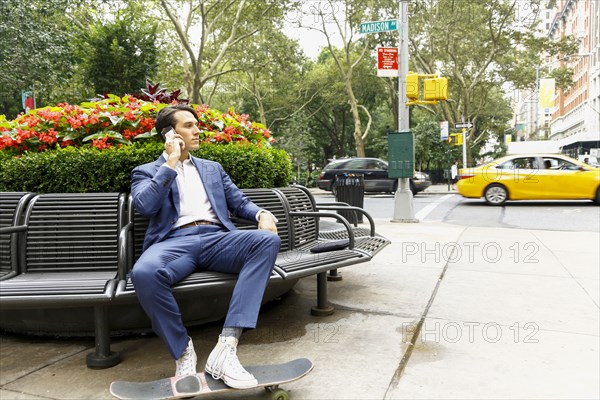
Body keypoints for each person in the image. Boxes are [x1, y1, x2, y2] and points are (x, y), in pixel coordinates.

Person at [130, 104, 281, 389]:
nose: (197, 130)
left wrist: (261, 213)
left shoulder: (212, 169)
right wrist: (170, 163)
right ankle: (183, 352)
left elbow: (238, 202)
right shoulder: (146, 171)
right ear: (169, 133)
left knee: (266, 240)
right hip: (174, 243)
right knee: (145, 273)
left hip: (217, 239)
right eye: (189, 125)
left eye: (196, 124)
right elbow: (146, 205)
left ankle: (227, 347)